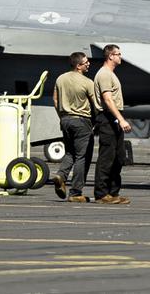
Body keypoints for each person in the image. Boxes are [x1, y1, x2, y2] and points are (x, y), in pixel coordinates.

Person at [52, 51, 97, 203]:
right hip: (82, 121)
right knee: (81, 157)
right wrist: (97, 122)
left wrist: (62, 117)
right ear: (78, 66)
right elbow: (95, 105)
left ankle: (61, 176)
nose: (88, 64)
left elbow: (56, 100)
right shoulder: (87, 82)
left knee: (70, 152)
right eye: (86, 62)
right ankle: (76, 192)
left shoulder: (60, 78)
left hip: (65, 120)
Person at [92, 44, 132, 204]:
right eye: (118, 54)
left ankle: (113, 193)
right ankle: (101, 194)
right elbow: (107, 99)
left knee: (119, 157)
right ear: (110, 56)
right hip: (107, 118)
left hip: (114, 118)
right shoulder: (104, 75)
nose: (120, 57)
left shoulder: (110, 74)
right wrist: (120, 119)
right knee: (107, 157)